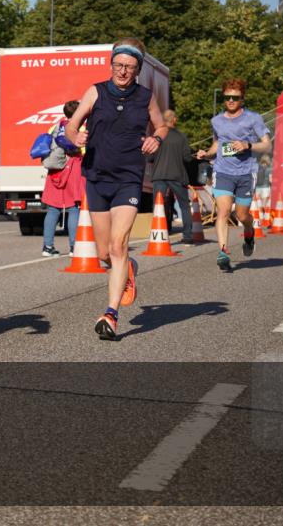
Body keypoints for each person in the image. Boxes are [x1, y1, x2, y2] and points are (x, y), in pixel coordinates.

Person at [64, 38, 167, 341]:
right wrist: (75, 137)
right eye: (118, 65)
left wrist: (156, 139)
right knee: (103, 253)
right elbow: (71, 125)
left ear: (138, 70)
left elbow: (161, 125)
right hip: (97, 177)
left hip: (128, 178)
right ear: (111, 64)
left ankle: (111, 314)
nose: (122, 71)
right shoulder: (95, 92)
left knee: (118, 245)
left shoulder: (145, 97)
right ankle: (127, 269)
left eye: (129, 67)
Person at [196, 80, 271, 270]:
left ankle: (249, 232)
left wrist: (248, 145)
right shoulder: (217, 121)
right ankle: (223, 252)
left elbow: (267, 145)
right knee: (223, 211)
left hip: (246, 172)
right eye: (227, 97)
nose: (230, 101)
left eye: (235, 98)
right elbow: (217, 144)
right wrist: (207, 154)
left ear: (242, 99)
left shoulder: (253, 119)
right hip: (223, 171)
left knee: (242, 215)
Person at [41, 100, 84, 256]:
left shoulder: (55, 127)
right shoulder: (79, 128)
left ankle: (47, 247)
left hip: (55, 170)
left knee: (53, 209)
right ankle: (74, 247)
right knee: (73, 208)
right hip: (72, 169)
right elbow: (82, 150)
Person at [149, 109, 195, 244]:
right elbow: (187, 158)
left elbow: (150, 157)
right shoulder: (181, 136)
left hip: (159, 175)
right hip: (177, 175)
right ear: (174, 120)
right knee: (184, 206)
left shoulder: (157, 136)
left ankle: (159, 235)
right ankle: (188, 236)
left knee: (158, 205)